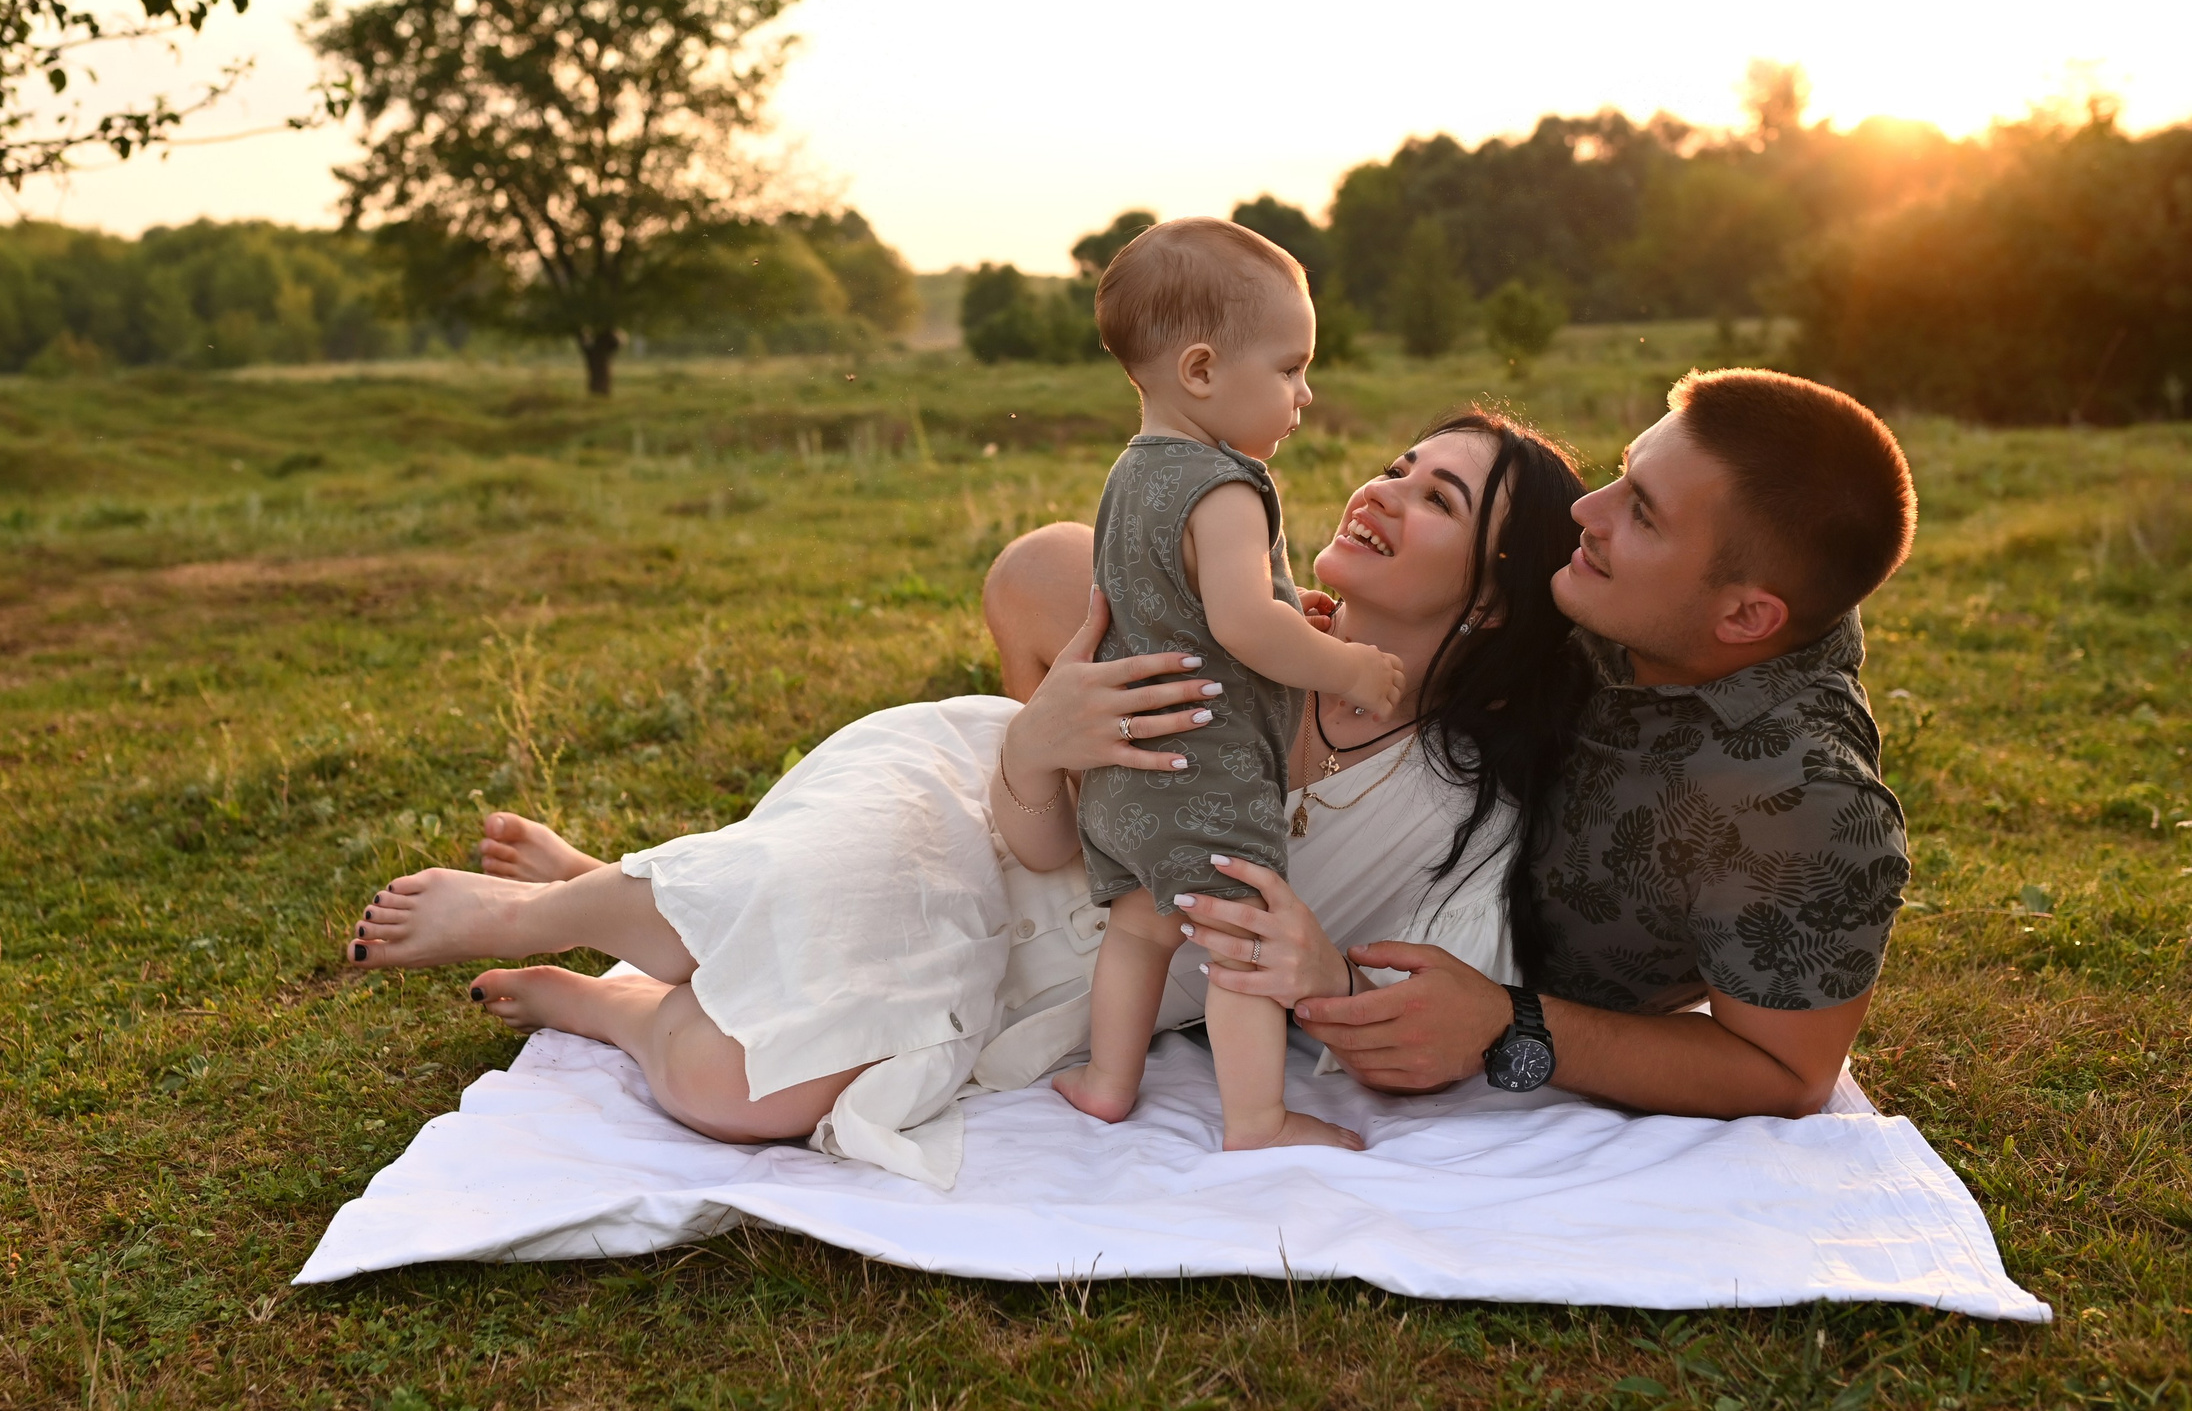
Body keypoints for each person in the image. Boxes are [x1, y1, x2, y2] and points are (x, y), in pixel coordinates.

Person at [343, 411, 1590, 1171]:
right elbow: (1028, 780)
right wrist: (1042, 731)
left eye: (1438, 498)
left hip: (1049, 960)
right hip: (968, 801)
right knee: (858, 881)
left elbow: (1416, 1025)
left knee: (740, 1090)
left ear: (1489, 595)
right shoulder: (1220, 627)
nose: (1379, 488)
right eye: (1394, 463)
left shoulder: (1455, 805)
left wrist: (1315, 967)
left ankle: (600, 991)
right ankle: (558, 908)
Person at [1154, 369, 1919, 1119]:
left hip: (1429, 942)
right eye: (1624, 471)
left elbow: (1789, 1073)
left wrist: (1512, 1023)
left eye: (1643, 514)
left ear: (1748, 620)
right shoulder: (1625, 580)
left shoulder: (1806, 802)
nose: (1591, 508)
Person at [1041, 219, 1400, 1149]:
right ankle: (1256, 1118)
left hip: (1128, 782)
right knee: (1239, 942)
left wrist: (1288, 605)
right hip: (1206, 773)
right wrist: (1348, 665)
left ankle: (1108, 1080)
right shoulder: (1227, 486)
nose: (1305, 393)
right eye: (1289, 369)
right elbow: (1243, 624)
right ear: (1201, 372)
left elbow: (1191, 604)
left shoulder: (1131, 474)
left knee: (1138, 928)